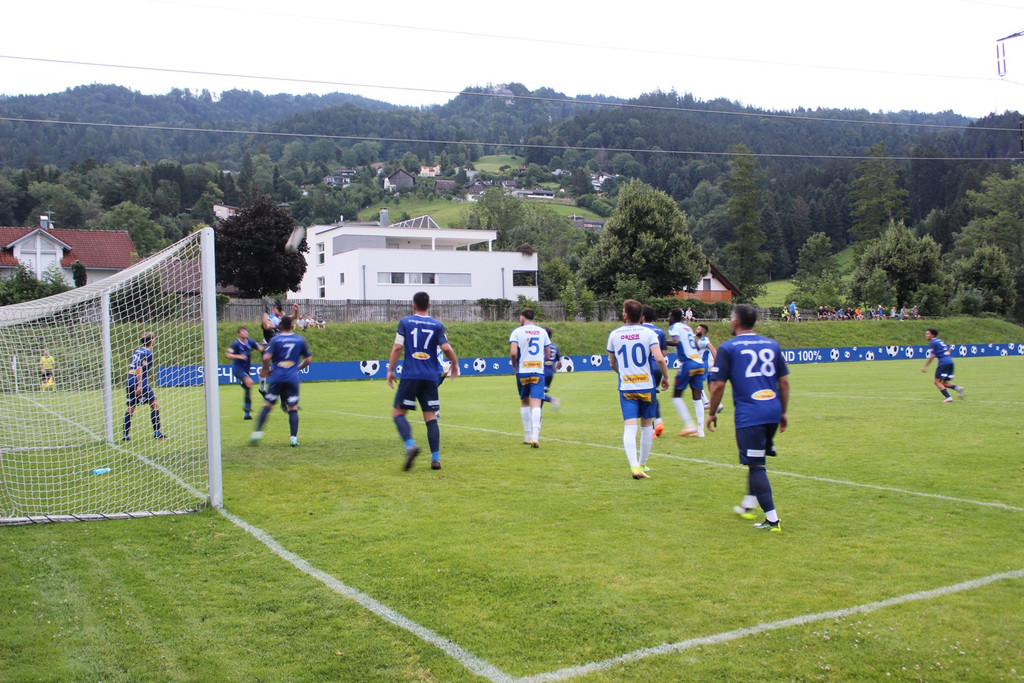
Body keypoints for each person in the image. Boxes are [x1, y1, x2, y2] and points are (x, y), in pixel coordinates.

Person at [706, 304, 789, 532]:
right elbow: (784, 381)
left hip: (751, 414)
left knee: (756, 464)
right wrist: (783, 411)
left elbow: (718, 385)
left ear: (735, 322)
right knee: (756, 460)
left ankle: (772, 519)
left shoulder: (728, 348)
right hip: (772, 410)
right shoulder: (772, 345)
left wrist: (712, 412)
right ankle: (748, 504)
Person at [387, 292, 459, 470]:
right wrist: (455, 363)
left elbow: (397, 347)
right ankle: (436, 459)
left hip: (411, 375)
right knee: (431, 418)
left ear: (413, 305)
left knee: (397, 414)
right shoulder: (437, 325)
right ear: (429, 305)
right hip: (430, 377)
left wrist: (390, 369)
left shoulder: (405, 322)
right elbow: (446, 347)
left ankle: (411, 446)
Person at [608, 299, 670, 479]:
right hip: (647, 385)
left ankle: (634, 466)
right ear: (641, 315)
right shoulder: (648, 333)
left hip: (627, 386)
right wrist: (665, 377)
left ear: (625, 315)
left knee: (629, 426)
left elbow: (612, 362)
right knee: (646, 426)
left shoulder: (615, 334)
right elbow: (659, 358)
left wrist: (623, 373)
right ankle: (643, 464)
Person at [250, 316, 312, 447]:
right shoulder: (299, 340)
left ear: (281, 327)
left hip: (277, 376)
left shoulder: (275, 340)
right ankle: (293, 438)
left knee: (268, 405)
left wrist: (266, 370)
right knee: (293, 408)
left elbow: (266, 357)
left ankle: (257, 433)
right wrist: (298, 367)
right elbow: (308, 360)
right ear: (293, 326)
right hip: (292, 377)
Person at [509, 308, 551, 448]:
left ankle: (527, 435)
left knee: (524, 402)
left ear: (522, 318)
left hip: (523, 371)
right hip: (537, 371)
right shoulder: (543, 332)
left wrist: (515, 366)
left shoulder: (517, 332)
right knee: (537, 403)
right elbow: (548, 354)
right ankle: (535, 436)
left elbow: (513, 353)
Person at [667, 308, 706, 437]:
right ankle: (701, 430)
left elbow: (676, 342)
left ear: (673, 317)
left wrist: (660, 341)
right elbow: (697, 345)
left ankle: (689, 425)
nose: (668, 319)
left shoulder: (674, 327)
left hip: (688, 363)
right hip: (699, 362)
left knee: (676, 395)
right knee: (697, 396)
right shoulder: (688, 328)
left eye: (669, 316)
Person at [123, 332, 165, 440]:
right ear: (151, 341)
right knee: (155, 405)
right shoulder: (148, 353)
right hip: (140, 381)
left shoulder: (138, 351)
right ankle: (157, 433)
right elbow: (139, 368)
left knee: (131, 407)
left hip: (130, 380)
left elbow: (133, 365)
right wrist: (140, 385)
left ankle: (125, 435)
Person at [225, 326, 265, 420]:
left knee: (248, 388)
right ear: (238, 333)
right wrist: (239, 356)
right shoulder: (235, 344)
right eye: (243, 331)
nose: (245, 333)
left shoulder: (250, 342)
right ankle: (246, 407)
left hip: (246, 370)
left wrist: (266, 345)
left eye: (246, 331)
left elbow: (260, 348)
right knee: (250, 382)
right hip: (238, 369)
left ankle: (247, 414)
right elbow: (228, 355)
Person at [640, 306, 668, 437]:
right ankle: (659, 421)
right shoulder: (660, 332)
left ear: (643, 317)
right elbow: (663, 354)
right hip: (658, 369)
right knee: (652, 395)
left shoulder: (639, 330)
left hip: (646, 369)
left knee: (645, 398)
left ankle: (651, 429)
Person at [922, 328, 965, 403]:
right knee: (944, 383)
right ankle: (958, 388)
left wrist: (925, 366)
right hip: (950, 361)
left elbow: (932, 356)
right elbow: (948, 351)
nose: (926, 335)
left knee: (937, 382)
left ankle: (948, 397)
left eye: (928, 334)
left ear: (932, 335)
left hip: (943, 362)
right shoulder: (940, 341)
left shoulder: (933, 342)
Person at [694, 323, 720, 414]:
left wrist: (717, 360)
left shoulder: (703, 340)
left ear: (703, 331)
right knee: (710, 386)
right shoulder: (700, 341)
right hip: (710, 365)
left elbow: (712, 348)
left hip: (705, 364)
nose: (696, 331)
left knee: (697, 383)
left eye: (698, 329)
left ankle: (706, 402)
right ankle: (719, 404)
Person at [542, 327, 561, 411]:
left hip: (542, 372)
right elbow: (560, 362)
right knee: (541, 393)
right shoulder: (554, 347)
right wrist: (555, 369)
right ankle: (538, 410)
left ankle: (553, 400)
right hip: (550, 373)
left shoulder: (542, 346)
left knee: (535, 393)